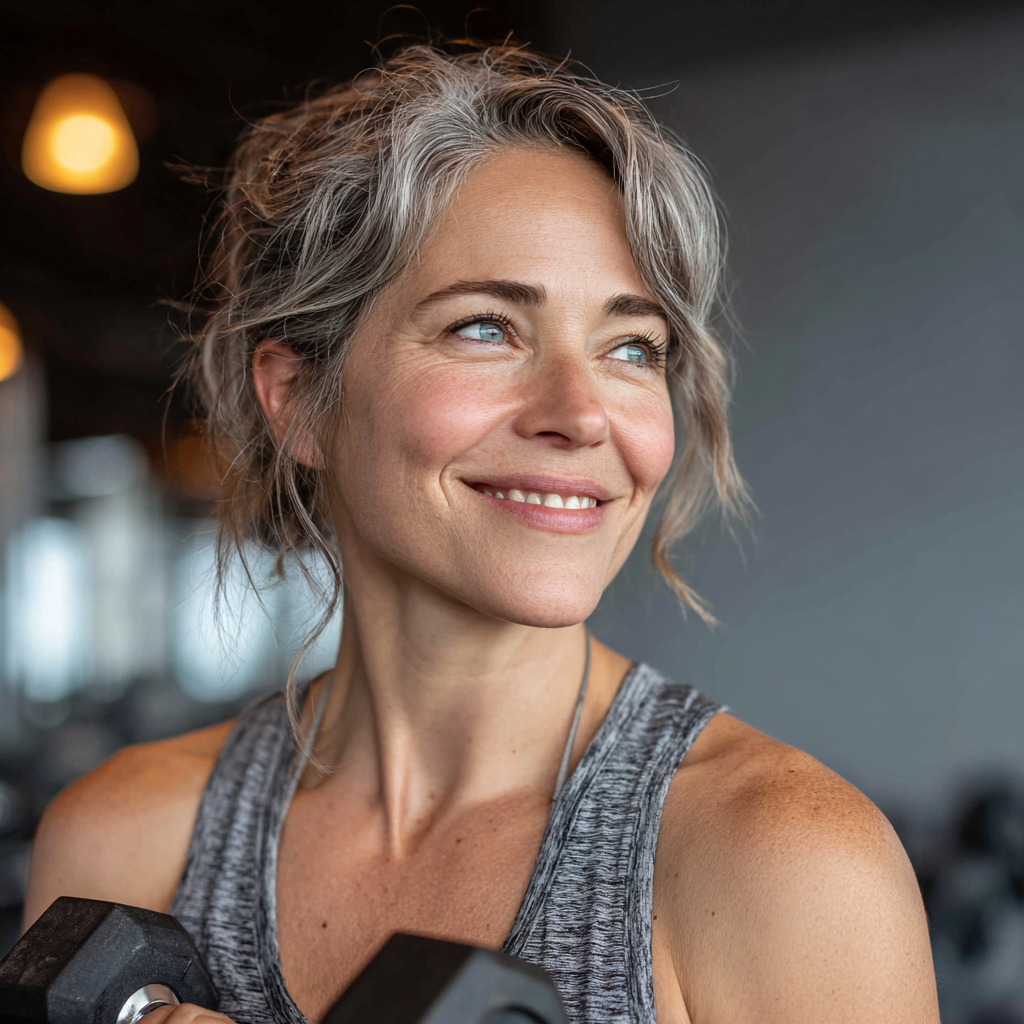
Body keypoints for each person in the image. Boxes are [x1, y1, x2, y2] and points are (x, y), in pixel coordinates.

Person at [24, 44, 939, 1024]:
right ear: (297, 399)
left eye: (631, 347)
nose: (579, 412)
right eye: (486, 328)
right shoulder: (125, 839)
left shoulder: (784, 861)